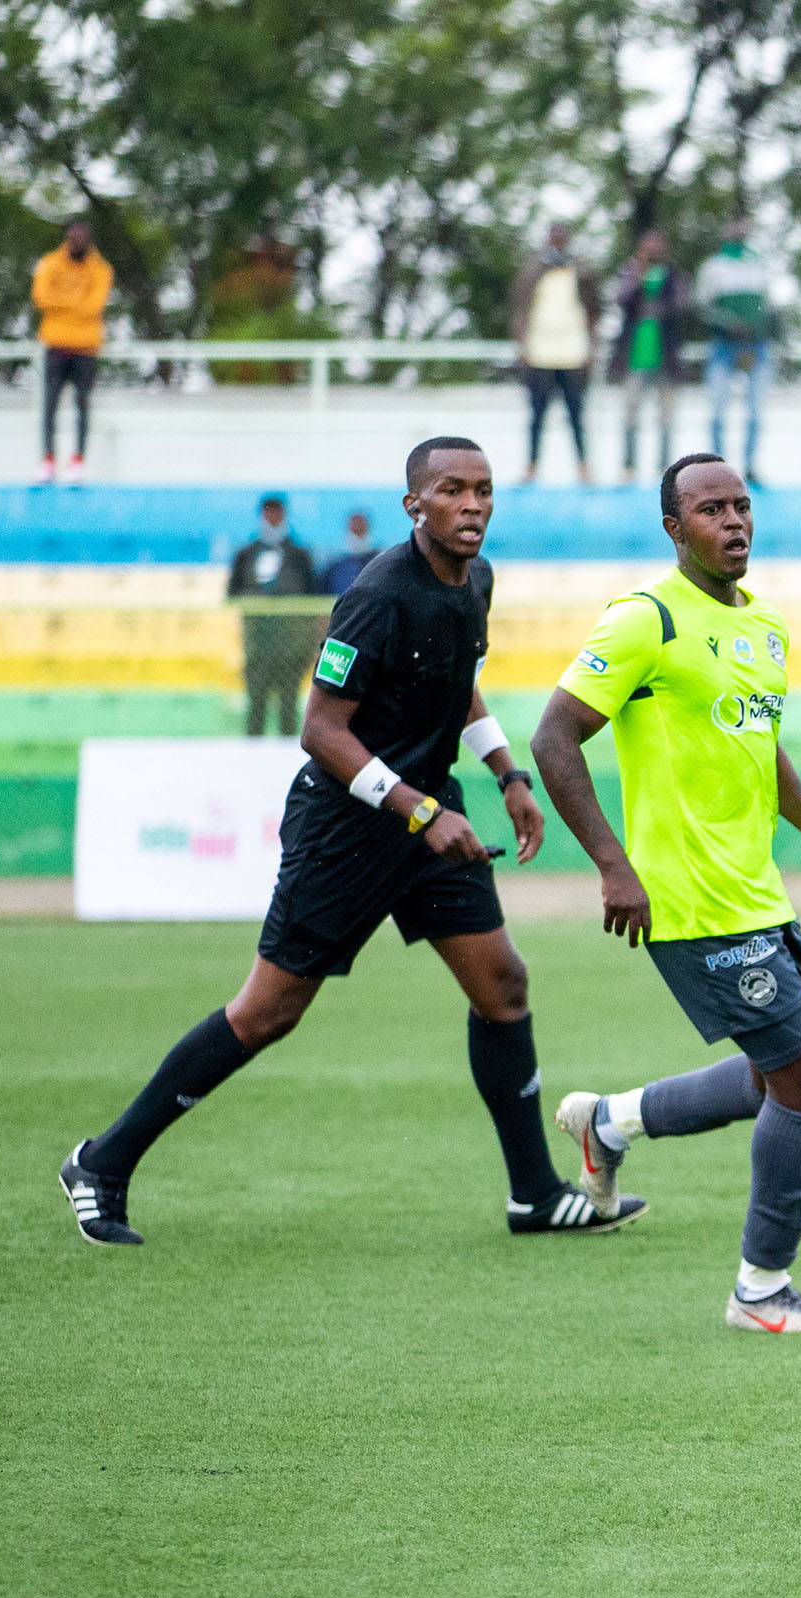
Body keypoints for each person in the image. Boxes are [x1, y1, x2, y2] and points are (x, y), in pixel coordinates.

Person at [60, 438, 634, 1247]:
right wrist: (418, 810)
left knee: (502, 984)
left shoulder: (478, 579)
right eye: (452, 491)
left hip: (428, 818)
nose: (472, 505)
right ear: (414, 505)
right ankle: (102, 1161)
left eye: (484, 490)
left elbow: (454, 680)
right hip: (349, 826)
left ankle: (534, 1193)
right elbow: (320, 730)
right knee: (267, 1013)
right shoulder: (374, 594)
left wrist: (508, 772)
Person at [531, 454, 801, 1335]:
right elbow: (554, 737)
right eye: (710, 509)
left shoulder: (764, 628)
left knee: (772, 1077)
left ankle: (609, 1123)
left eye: (742, 506)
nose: (733, 522)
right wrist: (613, 863)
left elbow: (762, 749)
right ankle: (761, 1288)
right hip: (685, 901)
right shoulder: (644, 620)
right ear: (675, 529)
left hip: (757, 892)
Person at [511, 223, 600, 484]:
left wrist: (591, 346)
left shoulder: (580, 269)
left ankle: (584, 467)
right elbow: (519, 307)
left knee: (576, 414)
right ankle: (531, 466)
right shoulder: (533, 269)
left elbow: (594, 308)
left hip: (573, 352)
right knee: (537, 414)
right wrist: (523, 345)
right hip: (540, 352)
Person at [228, 494, 322, 736]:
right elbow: (232, 592)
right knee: (256, 703)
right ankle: (251, 754)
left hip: (291, 644)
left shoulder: (299, 554)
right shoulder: (246, 554)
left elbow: (313, 595)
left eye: (277, 512)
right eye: (269, 511)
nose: (273, 517)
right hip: (258, 643)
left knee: (289, 705)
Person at [32, 218, 112, 485]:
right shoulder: (49, 263)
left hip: (86, 348)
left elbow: (94, 307)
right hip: (56, 346)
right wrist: (76, 303)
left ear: (88, 239)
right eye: (72, 236)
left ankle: (78, 460)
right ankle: (48, 459)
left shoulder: (101, 270)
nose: (76, 241)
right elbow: (41, 298)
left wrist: (61, 304)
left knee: (83, 404)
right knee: (50, 404)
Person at [696, 221, 777, 484]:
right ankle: (718, 467)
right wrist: (726, 323)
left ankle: (750, 466)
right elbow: (702, 306)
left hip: (757, 346)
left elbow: (769, 307)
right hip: (723, 345)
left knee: (755, 410)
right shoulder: (713, 266)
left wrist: (760, 332)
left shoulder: (759, 265)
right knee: (718, 408)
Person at [611, 231, 690, 483]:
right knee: (631, 414)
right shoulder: (629, 273)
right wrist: (640, 276)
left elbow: (680, 306)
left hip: (666, 358)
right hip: (635, 357)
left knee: (666, 416)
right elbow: (623, 300)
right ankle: (629, 466)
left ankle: (664, 468)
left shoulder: (675, 277)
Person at [321, 509, 376, 596]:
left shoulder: (379, 563)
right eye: (354, 528)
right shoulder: (335, 567)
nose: (357, 534)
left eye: (361, 527)